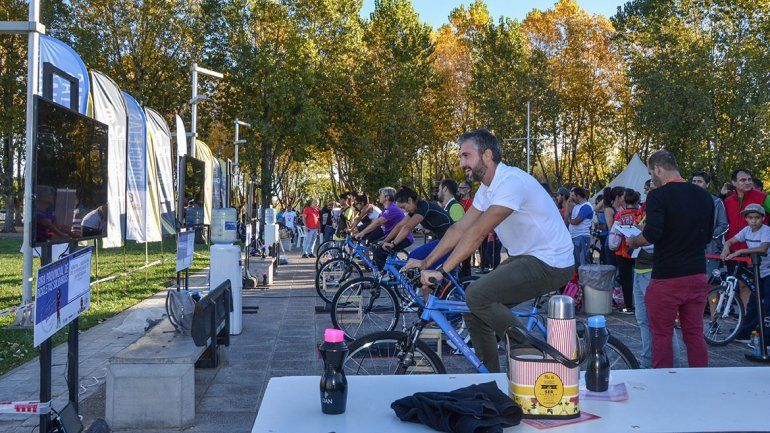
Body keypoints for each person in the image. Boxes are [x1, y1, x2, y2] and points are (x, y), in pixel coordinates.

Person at [405, 129, 574, 373]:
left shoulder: (511, 182)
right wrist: (426, 263)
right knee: (473, 309)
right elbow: (458, 229)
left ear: (486, 155)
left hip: (551, 261)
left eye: (466, 156)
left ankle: (533, 353)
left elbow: (477, 233)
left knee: (477, 295)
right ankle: (490, 379)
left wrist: (442, 271)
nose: (462, 163)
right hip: (526, 257)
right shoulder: (487, 189)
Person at [627, 150, 714, 368]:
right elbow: (709, 234)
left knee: (662, 334)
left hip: (667, 277)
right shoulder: (704, 196)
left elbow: (651, 235)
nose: (651, 178)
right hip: (697, 273)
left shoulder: (658, 195)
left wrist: (634, 241)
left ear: (658, 168)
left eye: (651, 172)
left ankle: (663, 385)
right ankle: (701, 380)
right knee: (694, 333)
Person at [632, 182, 681, 369]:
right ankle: (647, 361)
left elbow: (654, 240)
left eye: (650, 187)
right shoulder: (647, 210)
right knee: (643, 320)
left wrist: (636, 239)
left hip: (655, 271)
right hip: (639, 268)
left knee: (662, 322)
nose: (646, 191)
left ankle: (673, 366)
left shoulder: (666, 210)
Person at [721, 204, 770, 342]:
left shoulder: (766, 230)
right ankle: (745, 332)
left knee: (768, 302)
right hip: (758, 270)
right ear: (746, 219)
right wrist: (726, 248)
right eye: (750, 218)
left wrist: (740, 251)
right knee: (754, 302)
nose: (754, 221)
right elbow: (730, 241)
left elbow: (763, 248)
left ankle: (767, 336)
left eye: (757, 218)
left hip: (768, 271)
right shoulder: (746, 230)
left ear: (763, 218)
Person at [386, 186, 453, 267]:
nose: (403, 210)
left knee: (414, 256)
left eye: (403, 207)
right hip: (443, 239)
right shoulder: (414, 209)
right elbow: (400, 225)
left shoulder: (423, 206)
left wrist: (393, 244)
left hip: (449, 240)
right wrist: (385, 241)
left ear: (410, 200)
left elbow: (407, 227)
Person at [356, 187, 413, 268]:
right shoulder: (386, 209)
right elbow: (376, 222)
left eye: (381, 195)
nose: (379, 196)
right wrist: (362, 232)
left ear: (387, 197)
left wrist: (362, 233)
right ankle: (385, 270)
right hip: (394, 235)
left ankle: (384, 274)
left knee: (378, 251)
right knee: (375, 247)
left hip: (404, 237)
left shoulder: (392, 208)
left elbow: (378, 222)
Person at [690, 171, 729, 275]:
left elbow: (724, 226)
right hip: (688, 250)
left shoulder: (716, 202)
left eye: (699, 181)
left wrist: (706, 236)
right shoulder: (684, 202)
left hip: (710, 250)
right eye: (694, 181)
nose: (696, 184)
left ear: (707, 184)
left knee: (710, 285)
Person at [724, 168, 770, 253]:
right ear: (734, 182)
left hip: (757, 253)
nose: (748, 182)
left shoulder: (763, 197)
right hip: (732, 251)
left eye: (749, 179)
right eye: (743, 180)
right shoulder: (727, 201)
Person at [611, 189, 641, 314]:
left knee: (626, 281)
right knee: (640, 279)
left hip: (622, 251)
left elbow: (615, 232)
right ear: (637, 200)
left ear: (625, 200)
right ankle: (641, 306)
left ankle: (628, 306)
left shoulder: (619, 214)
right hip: (638, 250)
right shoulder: (640, 214)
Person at [565, 186, 593, 268]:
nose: (572, 197)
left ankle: (584, 279)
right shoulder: (576, 206)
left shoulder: (586, 207)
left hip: (582, 237)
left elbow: (576, 221)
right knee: (576, 261)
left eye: (573, 195)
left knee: (582, 262)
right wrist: (567, 205)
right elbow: (566, 218)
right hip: (574, 236)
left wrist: (569, 219)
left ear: (578, 196)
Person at [602, 186, 625, 265]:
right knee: (613, 268)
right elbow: (611, 228)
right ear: (618, 197)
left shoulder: (623, 208)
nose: (625, 198)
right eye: (623, 196)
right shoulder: (609, 210)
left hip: (622, 243)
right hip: (613, 243)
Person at [457, 181, 474, 277]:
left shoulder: (473, 202)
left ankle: (466, 284)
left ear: (468, 189)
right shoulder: (457, 202)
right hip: (458, 235)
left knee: (466, 261)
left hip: (468, 235)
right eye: (459, 188)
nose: (460, 190)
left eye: (463, 187)